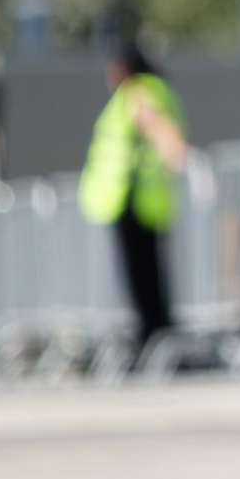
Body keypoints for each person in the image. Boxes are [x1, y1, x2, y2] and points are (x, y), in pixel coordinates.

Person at [77, 40, 190, 353]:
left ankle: (153, 337)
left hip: (132, 198)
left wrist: (176, 151)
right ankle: (157, 333)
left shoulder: (138, 91)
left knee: (140, 275)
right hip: (140, 199)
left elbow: (155, 124)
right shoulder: (152, 88)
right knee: (149, 273)